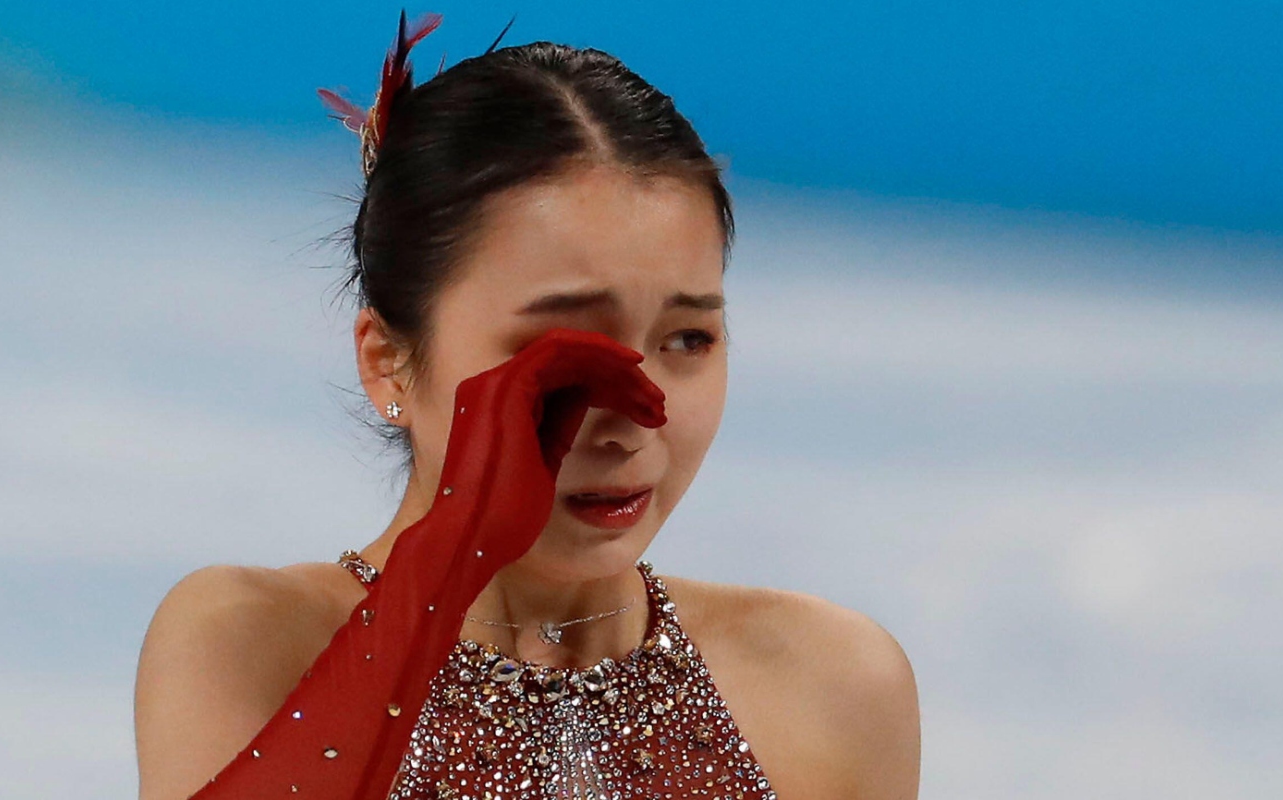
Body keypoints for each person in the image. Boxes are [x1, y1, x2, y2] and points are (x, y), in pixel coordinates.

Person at [134, 13, 920, 800]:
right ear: (388, 363)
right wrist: (447, 556)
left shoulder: (828, 682)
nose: (634, 416)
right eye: (562, 351)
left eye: (686, 339)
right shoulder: (251, 638)